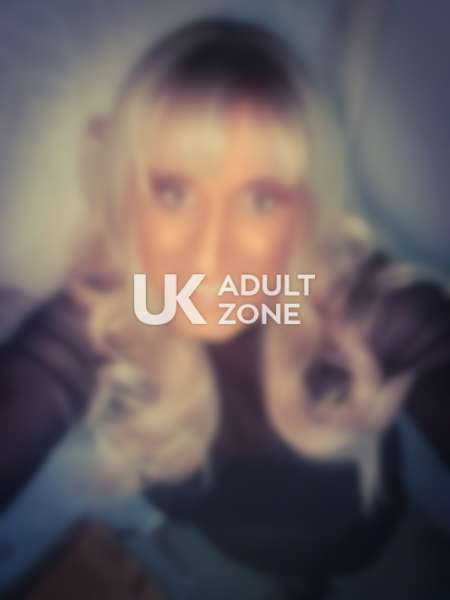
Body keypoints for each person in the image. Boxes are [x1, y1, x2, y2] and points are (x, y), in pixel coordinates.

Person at [1, 17, 449, 599]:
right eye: (174, 194)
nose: (210, 256)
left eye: (259, 200)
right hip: (226, 568)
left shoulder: (350, 306)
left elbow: (422, 336)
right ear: (127, 196)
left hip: (379, 557)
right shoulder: (124, 308)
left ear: (305, 211)